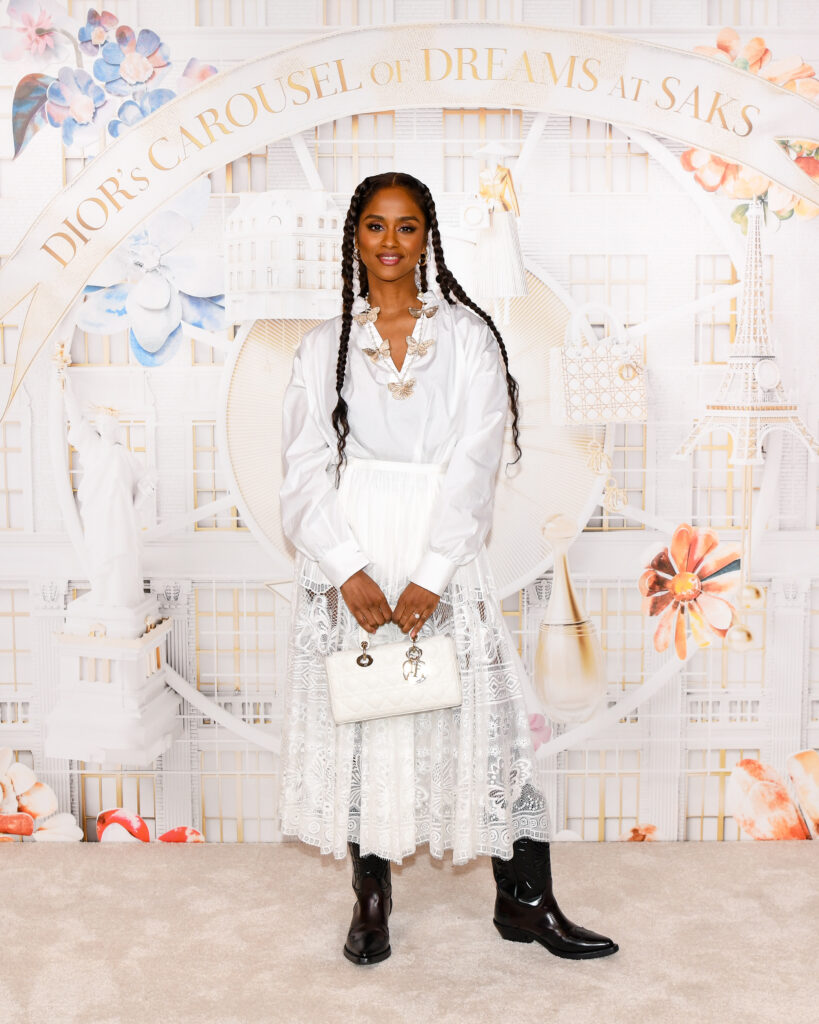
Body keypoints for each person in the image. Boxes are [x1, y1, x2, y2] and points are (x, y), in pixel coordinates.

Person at [277, 171, 618, 966]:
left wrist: (433, 570)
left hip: (444, 546)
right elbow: (301, 466)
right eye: (374, 225)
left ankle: (523, 902)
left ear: (426, 237)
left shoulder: (467, 337)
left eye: (406, 226)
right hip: (353, 544)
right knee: (364, 715)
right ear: (354, 237)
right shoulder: (320, 346)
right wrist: (345, 567)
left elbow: (476, 457)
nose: (389, 241)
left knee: (491, 724)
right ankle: (370, 900)